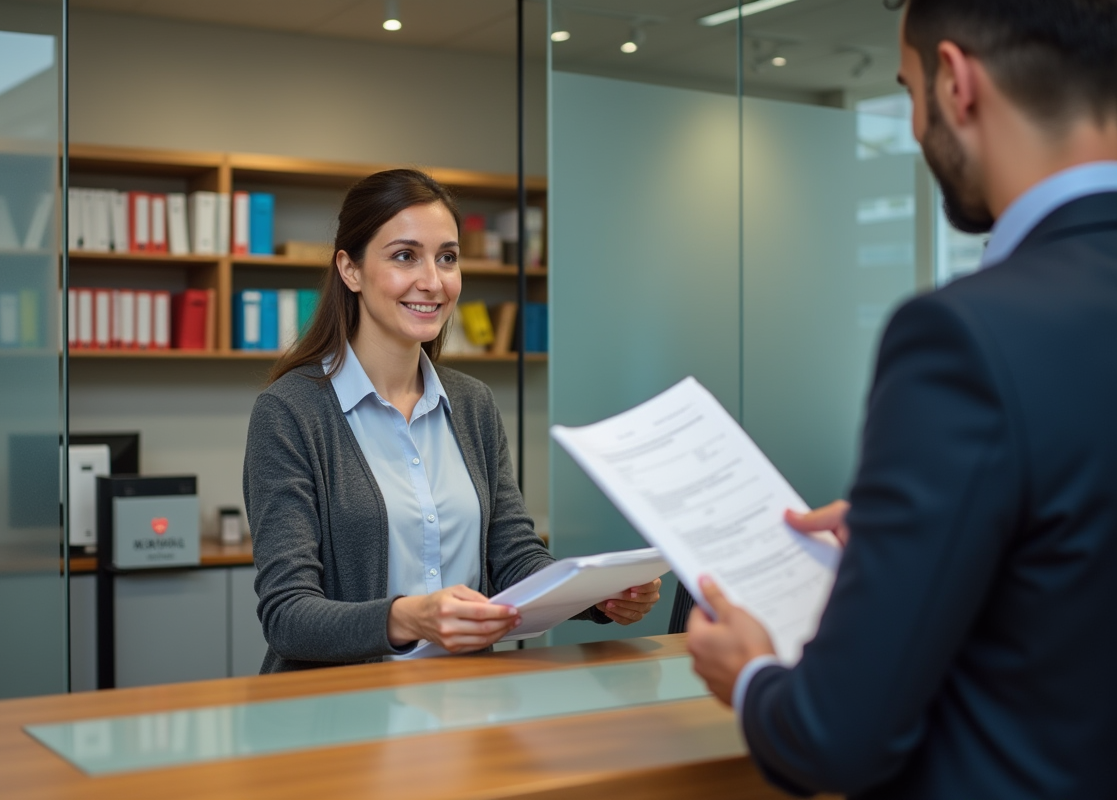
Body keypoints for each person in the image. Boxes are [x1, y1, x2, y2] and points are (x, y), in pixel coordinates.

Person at [686, 0, 1117, 797]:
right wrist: (930, 530)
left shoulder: (965, 335)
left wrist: (747, 677)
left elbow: (833, 738)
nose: (914, 126)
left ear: (956, 83)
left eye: (909, 91)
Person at [244, 169, 660, 672]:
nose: (433, 281)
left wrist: (597, 597)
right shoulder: (290, 412)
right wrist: (411, 618)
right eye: (404, 256)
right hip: (344, 714)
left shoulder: (473, 405)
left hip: (466, 703)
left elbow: (513, 557)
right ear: (350, 270)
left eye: (447, 257)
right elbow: (288, 616)